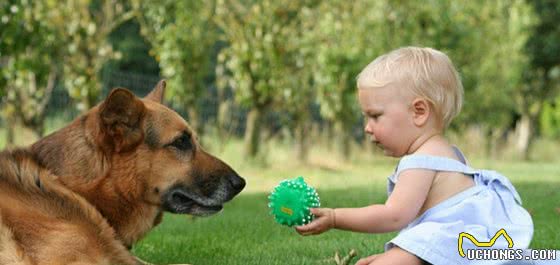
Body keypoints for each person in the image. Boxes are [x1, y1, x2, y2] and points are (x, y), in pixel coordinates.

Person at [295, 47, 533, 265]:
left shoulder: (419, 161)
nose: (367, 127)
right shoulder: (450, 154)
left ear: (419, 112)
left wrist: (336, 218)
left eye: (375, 116)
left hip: (456, 243)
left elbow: (394, 216)